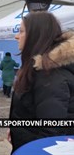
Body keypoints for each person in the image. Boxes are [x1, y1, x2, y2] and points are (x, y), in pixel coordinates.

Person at [8, 11, 74, 153]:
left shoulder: (51, 77)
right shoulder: (37, 69)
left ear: (35, 36)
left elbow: (50, 136)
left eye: (21, 31)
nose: (16, 36)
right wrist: (16, 130)